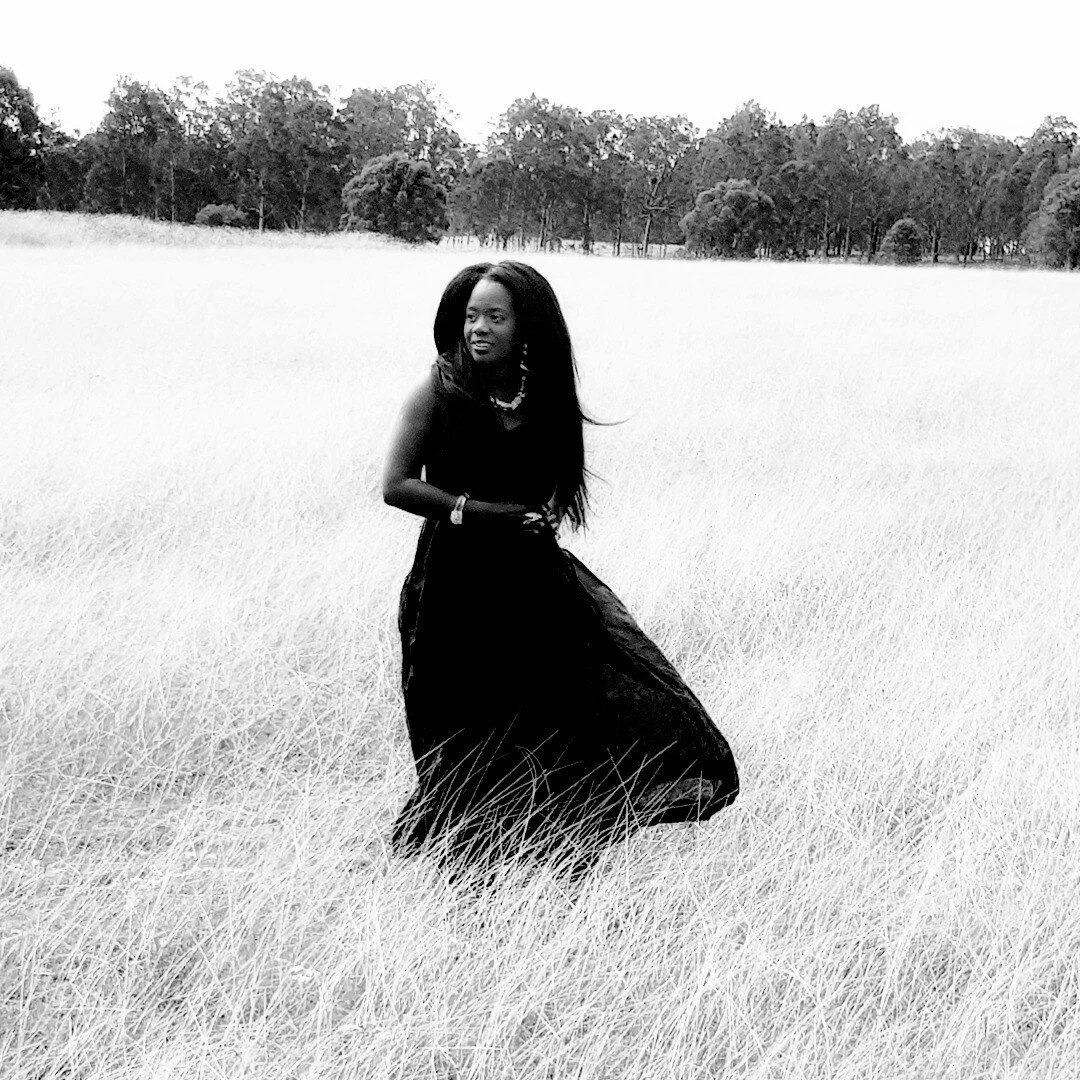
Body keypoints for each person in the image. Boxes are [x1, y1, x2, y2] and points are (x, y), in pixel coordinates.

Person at [383, 261, 738, 876]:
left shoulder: (540, 387)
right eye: (470, 316)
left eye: (495, 316)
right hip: (456, 587)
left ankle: (554, 852)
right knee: (472, 722)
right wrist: (479, 512)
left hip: (533, 582)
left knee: (561, 709)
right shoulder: (437, 389)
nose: (479, 329)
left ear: (527, 327)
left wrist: (544, 507)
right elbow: (396, 485)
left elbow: (558, 472)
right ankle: (468, 865)